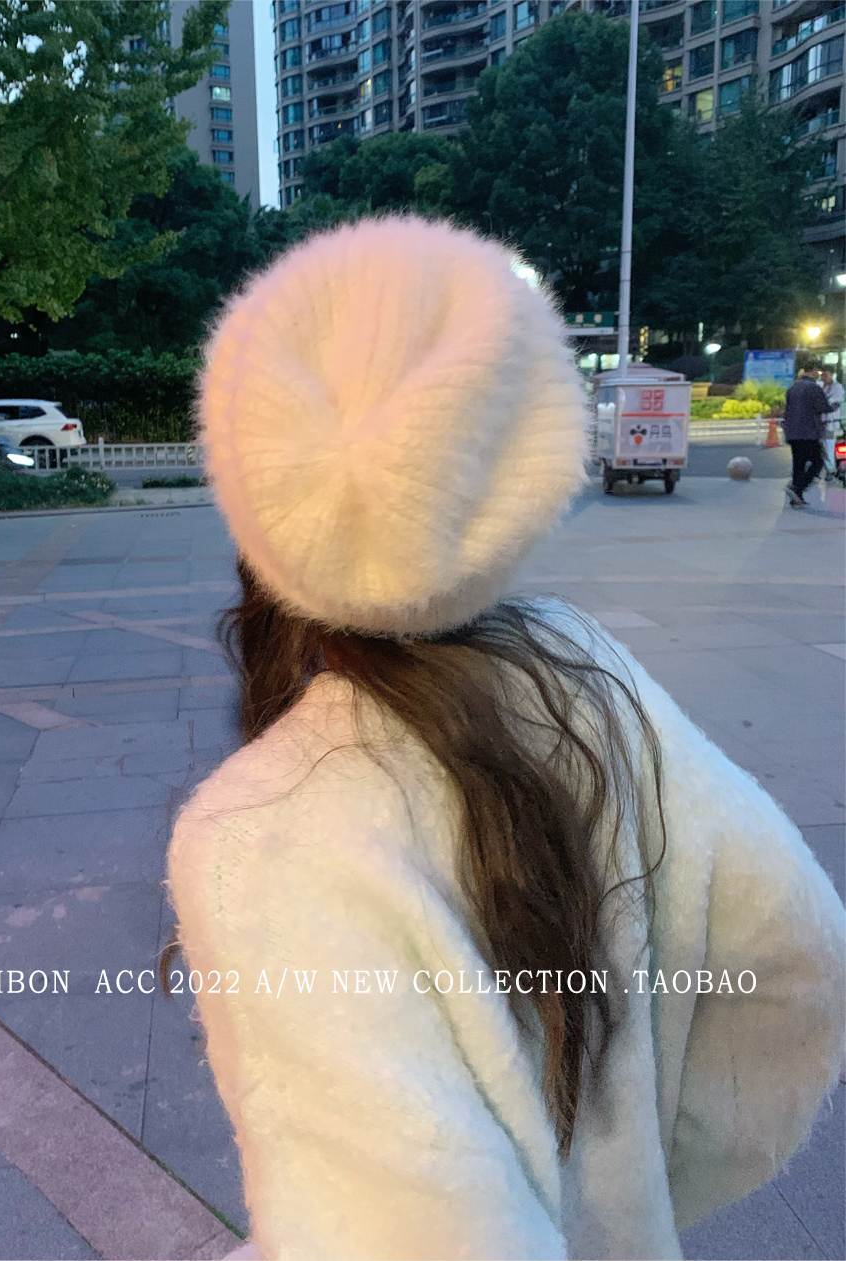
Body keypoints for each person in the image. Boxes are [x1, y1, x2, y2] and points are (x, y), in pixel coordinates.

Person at [163, 217, 845, 1261]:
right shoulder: (590, 672)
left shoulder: (260, 831)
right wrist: (647, 1191)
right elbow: (798, 965)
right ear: (513, 468)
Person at [782, 361, 834, 506]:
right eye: (818, 371)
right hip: (808, 431)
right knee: (817, 462)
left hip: (792, 432)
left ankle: (796, 498)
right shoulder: (813, 387)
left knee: (798, 464)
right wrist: (833, 406)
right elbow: (823, 407)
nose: (819, 374)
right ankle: (798, 488)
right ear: (814, 370)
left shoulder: (793, 387)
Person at [821, 366, 844, 477]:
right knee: (821, 447)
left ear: (831, 375)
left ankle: (831, 470)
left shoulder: (837, 387)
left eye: (826, 375)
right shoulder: (820, 386)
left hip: (831, 423)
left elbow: (834, 402)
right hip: (819, 423)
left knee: (829, 446)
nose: (824, 377)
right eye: (822, 375)